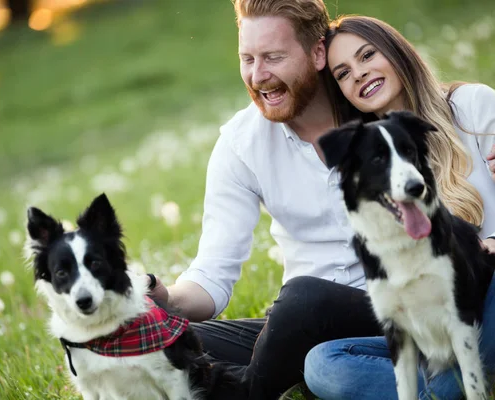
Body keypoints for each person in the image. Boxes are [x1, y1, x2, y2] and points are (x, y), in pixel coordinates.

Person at [146, 1, 388, 399]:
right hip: (299, 330)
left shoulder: (376, 104)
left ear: (317, 53)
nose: (258, 77)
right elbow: (212, 276)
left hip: (395, 308)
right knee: (165, 340)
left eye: (274, 57)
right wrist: (162, 297)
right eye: (247, 59)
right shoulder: (242, 145)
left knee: (302, 299)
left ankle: (250, 391)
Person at [303, 15, 495, 400]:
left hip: (490, 291)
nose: (358, 74)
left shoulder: (473, 105)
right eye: (343, 73)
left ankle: (454, 385)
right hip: (431, 327)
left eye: (367, 55)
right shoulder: (365, 169)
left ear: (396, 51)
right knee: (323, 362)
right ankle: (450, 387)